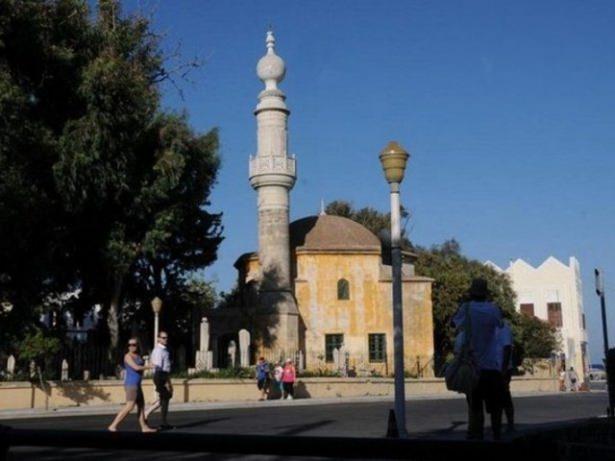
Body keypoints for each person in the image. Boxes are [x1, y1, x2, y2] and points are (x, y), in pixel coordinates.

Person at [452, 278, 504, 440]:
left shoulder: (466, 309)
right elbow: (500, 325)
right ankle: (497, 436)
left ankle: (477, 436)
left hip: (473, 366)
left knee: (475, 406)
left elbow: (453, 324)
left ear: (471, 293)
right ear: (486, 293)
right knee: (495, 407)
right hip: (492, 365)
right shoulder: (494, 309)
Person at [108, 338, 156, 432]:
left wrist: (149, 363)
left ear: (137, 346)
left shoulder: (138, 356)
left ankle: (144, 427)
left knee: (141, 406)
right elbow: (136, 368)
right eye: (129, 345)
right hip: (131, 384)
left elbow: (141, 365)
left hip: (138, 384)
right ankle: (113, 425)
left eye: (134, 345)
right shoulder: (127, 356)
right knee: (130, 406)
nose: (131, 347)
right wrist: (149, 367)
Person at [145, 331, 173, 429]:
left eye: (166, 337)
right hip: (160, 375)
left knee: (165, 397)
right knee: (165, 397)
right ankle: (163, 423)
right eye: (163, 337)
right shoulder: (158, 351)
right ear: (158, 339)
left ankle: (147, 414)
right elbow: (158, 366)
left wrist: (168, 379)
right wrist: (165, 381)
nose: (165, 339)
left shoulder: (164, 350)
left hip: (164, 375)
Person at [496, 319, 514, 432]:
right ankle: (497, 425)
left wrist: (503, 369)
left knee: (504, 395)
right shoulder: (490, 328)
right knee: (496, 398)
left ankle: (510, 424)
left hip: (503, 368)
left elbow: (507, 348)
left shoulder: (504, 328)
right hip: (493, 367)